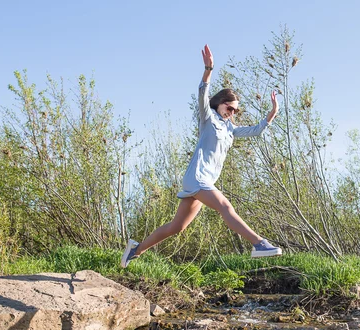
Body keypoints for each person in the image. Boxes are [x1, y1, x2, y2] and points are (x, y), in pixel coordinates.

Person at [121, 44, 282, 268]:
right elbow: (202, 92)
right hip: (197, 178)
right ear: (220, 104)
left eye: (235, 111)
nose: (232, 113)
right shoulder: (208, 119)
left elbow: (256, 130)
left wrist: (272, 113)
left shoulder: (230, 129)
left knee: (176, 227)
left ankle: (135, 251)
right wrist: (208, 69)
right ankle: (259, 244)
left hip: (205, 182)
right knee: (225, 206)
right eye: (230, 108)